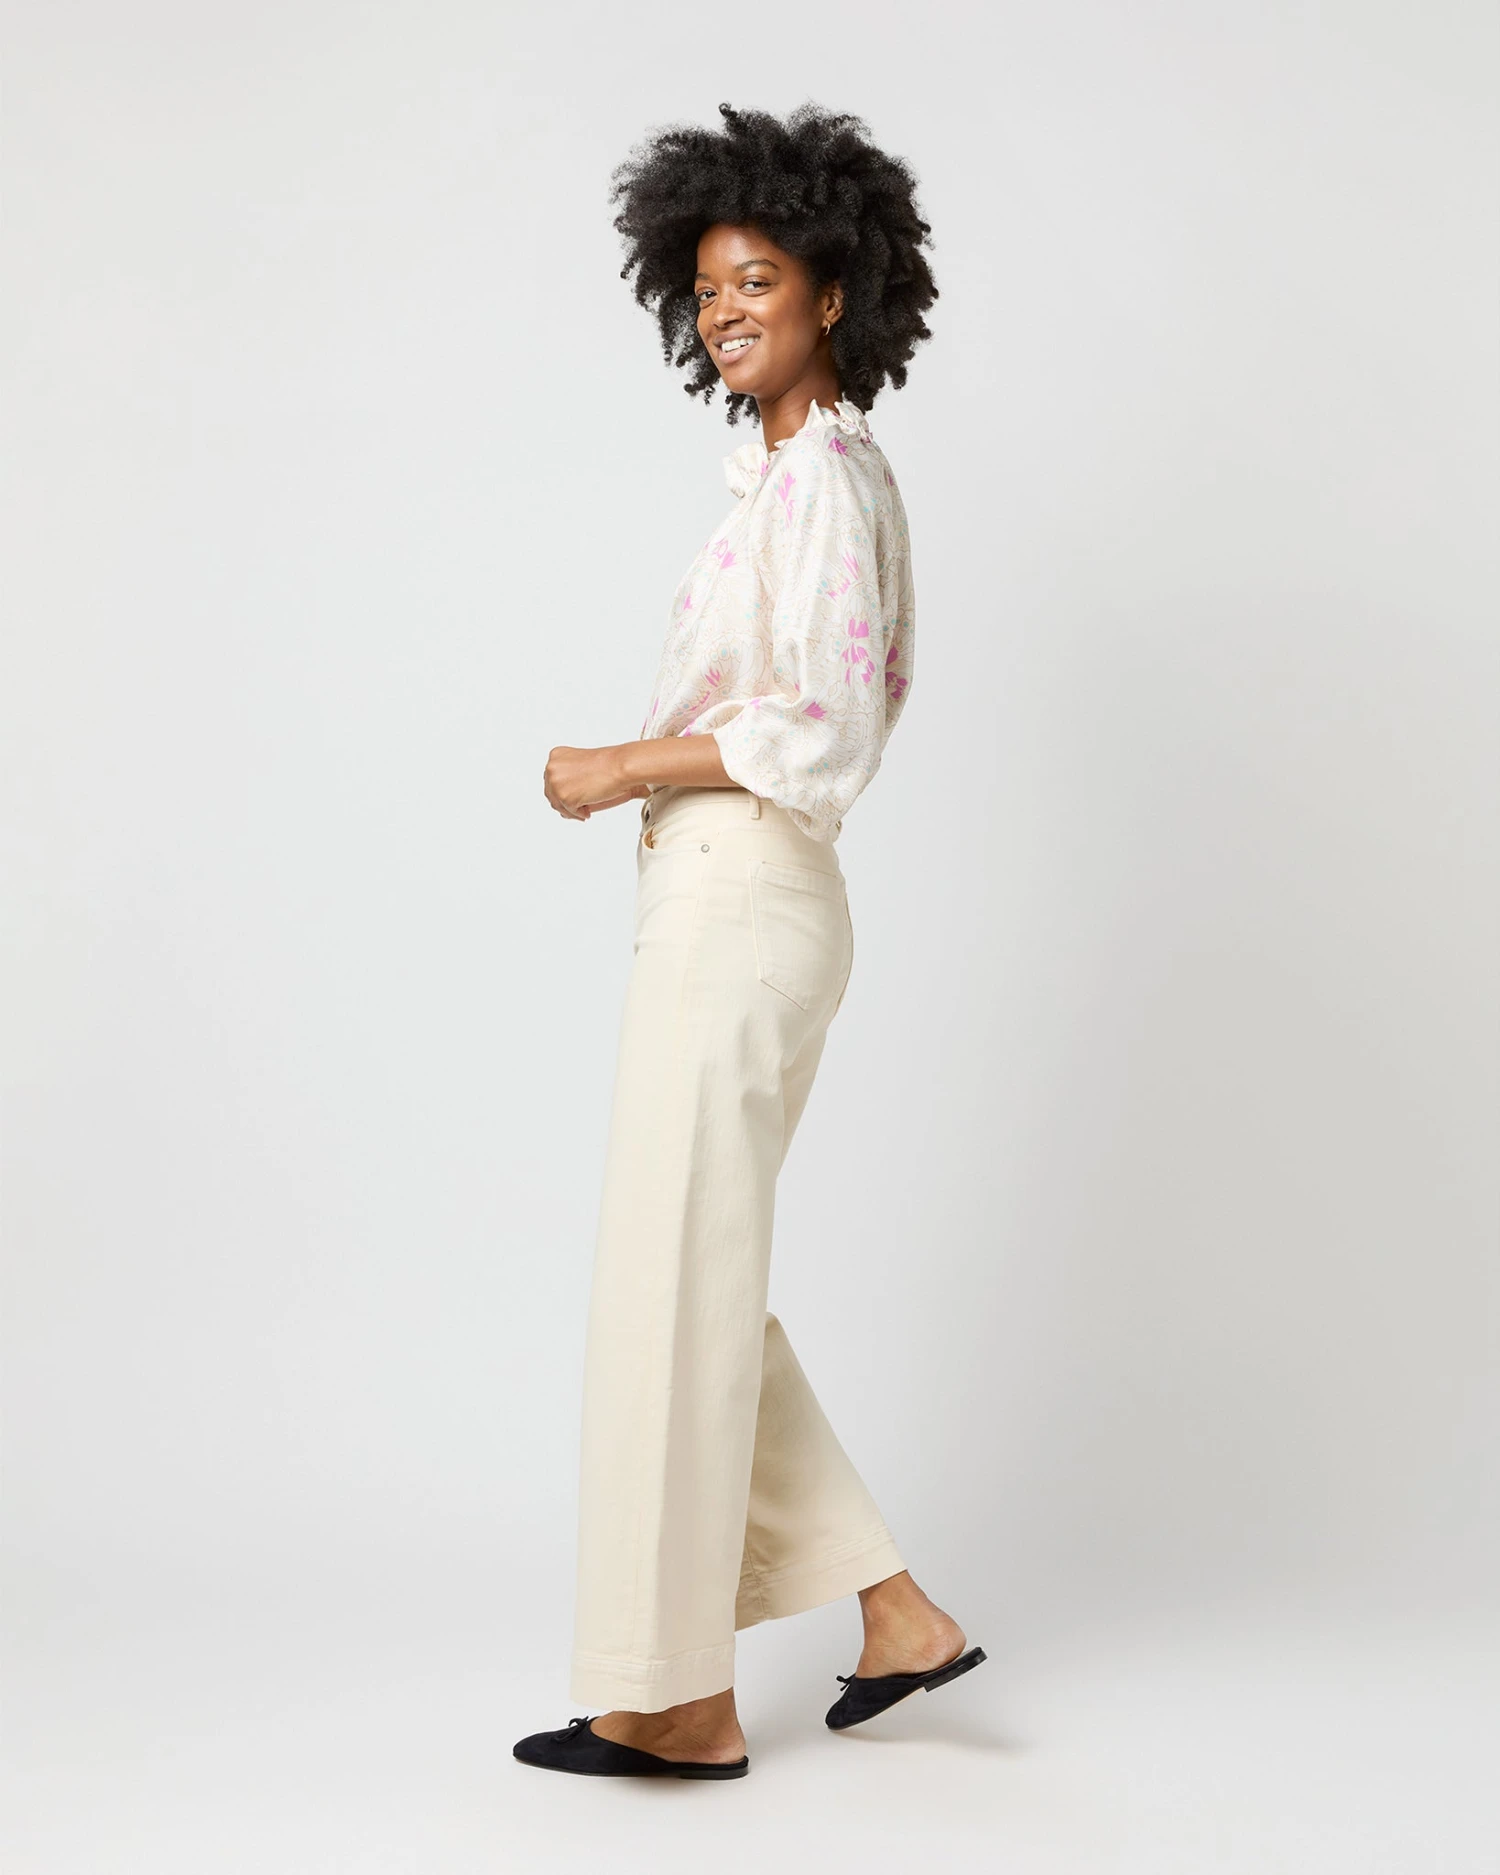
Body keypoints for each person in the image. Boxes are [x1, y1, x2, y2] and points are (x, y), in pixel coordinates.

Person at [515, 100, 984, 1783]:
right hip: (727, 891)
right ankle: (892, 1612)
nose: (726, 308)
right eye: (708, 286)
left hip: (747, 883)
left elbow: (824, 722)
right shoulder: (784, 482)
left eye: (759, 279)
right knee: (684, 1270)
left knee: (675, 1274)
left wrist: (623, 763)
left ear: (833, 292)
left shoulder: (830, 475)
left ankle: (679, 1697)